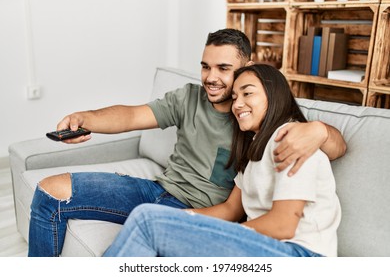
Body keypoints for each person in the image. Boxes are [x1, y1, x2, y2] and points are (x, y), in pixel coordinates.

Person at [28, 29, 346, 257]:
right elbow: (132, 116)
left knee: (147, 221)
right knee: (49, 190)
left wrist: (317, 129)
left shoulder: (274, 131)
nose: (211, 77)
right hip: (158, 190)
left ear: (247, 68)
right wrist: (86, 118)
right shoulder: (212, 113)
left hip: (207, 211)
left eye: (224, 68)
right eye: (206, 66)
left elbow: (330, 146)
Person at [103, 64, 342, 257]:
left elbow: (283, 225)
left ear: (274, 95)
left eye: (248, 93)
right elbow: (229, 209)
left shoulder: (292, 139)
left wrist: (215, 234)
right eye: (235, 97)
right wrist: (183, 218)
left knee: (147, 219)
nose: (237, 104)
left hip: (300, 254)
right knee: (152, 222)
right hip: (265, 248)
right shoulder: (254, 151)